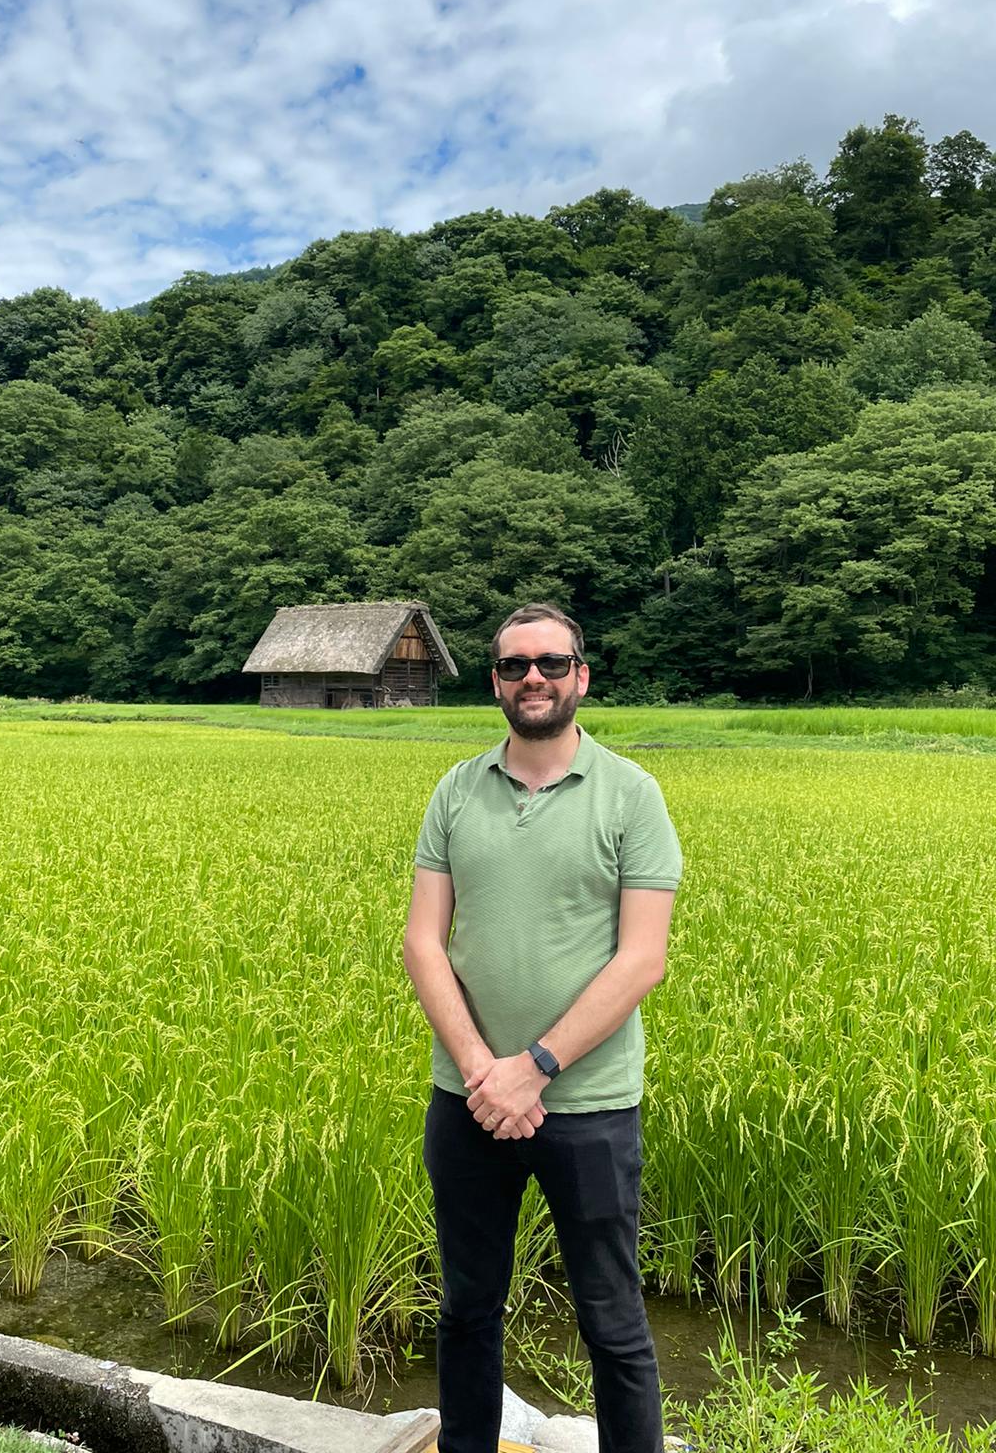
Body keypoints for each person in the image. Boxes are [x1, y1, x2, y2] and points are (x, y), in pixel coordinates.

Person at [402, 602, 682, 1453]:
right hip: (469, 1102)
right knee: (467, 1307)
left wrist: (537, 1065)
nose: (534, 678)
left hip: (589, 1106)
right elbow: (422, 939)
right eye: (517, 665)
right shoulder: (457, 789)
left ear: (580, 676)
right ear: (495, 682)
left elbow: (642, 960)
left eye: (552, 664)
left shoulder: (632, 794)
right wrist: (486, 1069)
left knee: (611, 1318)